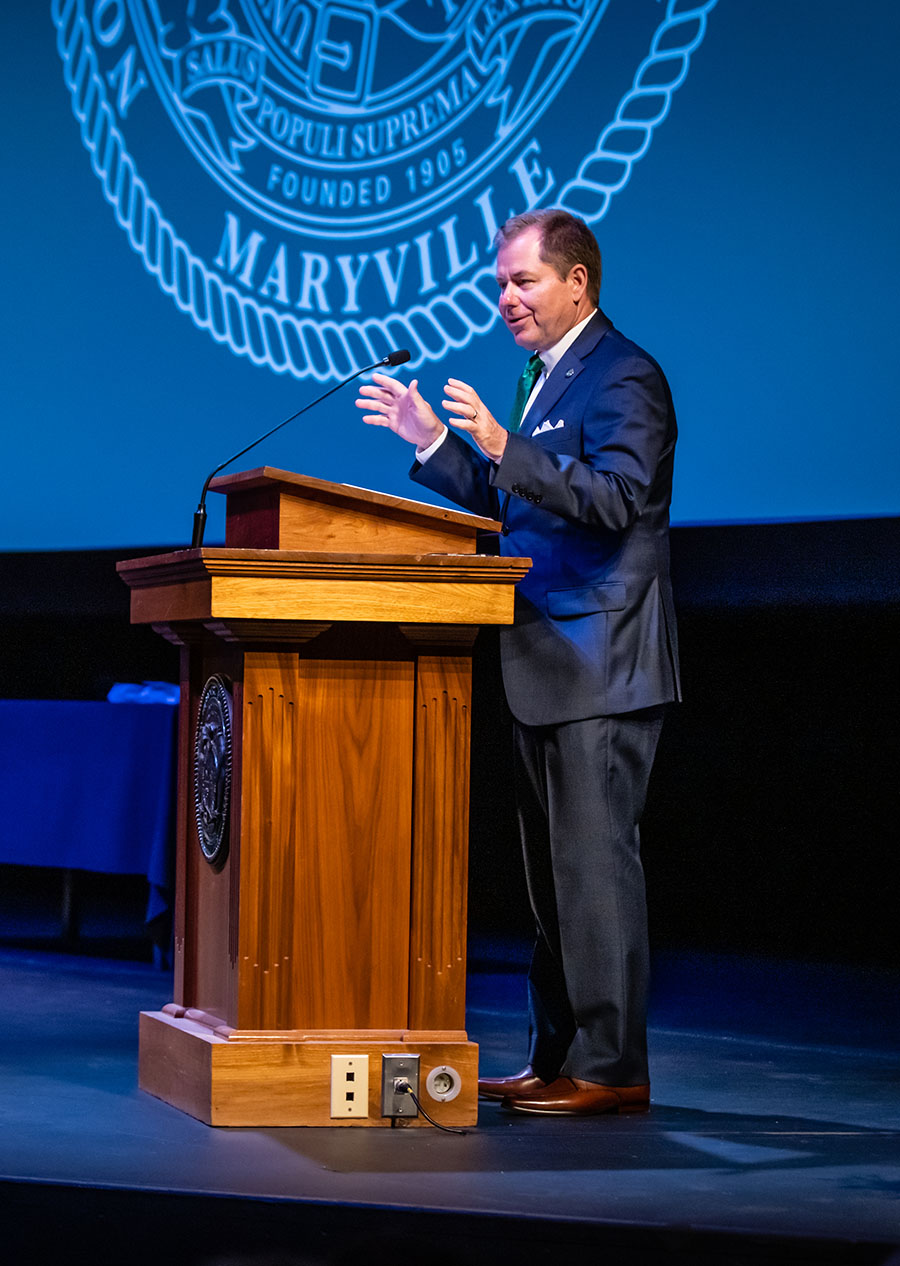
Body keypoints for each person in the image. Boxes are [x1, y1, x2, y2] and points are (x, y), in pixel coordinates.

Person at [356, 208, 680, 1116]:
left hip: (601, 660)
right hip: (545, 655)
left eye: (523, 281)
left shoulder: (626, 375)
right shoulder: (548, 379)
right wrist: (435, 444)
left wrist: (506, 447)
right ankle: (555, 1058)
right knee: (551, 882)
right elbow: (520, 511)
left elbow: (616, 500)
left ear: (579, 282)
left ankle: (614, 1070)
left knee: (595, 872)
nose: (506, 298)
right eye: (501, 283)